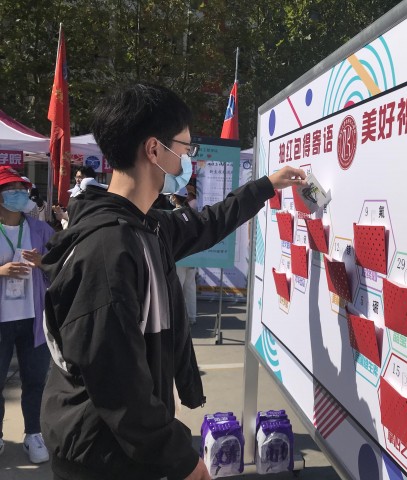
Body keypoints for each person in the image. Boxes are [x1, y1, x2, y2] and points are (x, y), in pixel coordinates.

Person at [40, 83, 305, 480]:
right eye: (185, 147)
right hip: (104, 457)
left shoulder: (145, 227)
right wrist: (179, 458)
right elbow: (118, 386)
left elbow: (208, 223)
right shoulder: (108, 252)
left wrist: (267, 185)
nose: (187, 159)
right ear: (154, 150)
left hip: (124, 447)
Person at [0, 166, 54, 464]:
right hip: (1, 323)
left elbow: (63, 266)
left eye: (23, 190)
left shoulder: (41, 230)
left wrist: (44, 262)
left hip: (34, 319)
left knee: (35, 381)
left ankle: (33, 434)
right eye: (13, 191)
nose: (20, 195)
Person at [171, 187, 197, 325]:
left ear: (175, 198)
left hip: (179, 256)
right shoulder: (192, 213)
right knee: (190, 287)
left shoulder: (173, 214)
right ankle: (192, 316)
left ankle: (178, 319)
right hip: (192, 255)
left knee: (178, 288)